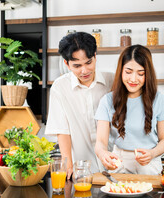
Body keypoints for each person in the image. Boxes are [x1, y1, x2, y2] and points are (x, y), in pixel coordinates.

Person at [94, 44, 164, 175]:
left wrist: (152, 153)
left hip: (148, 162)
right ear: (121, 71)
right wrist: (103, 154)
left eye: (140, 73)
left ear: (147, 74)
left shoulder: (159, 100)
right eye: (128, 72)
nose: (133, 79)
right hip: (119, 161)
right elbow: (100, 142)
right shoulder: (107, 100)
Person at [45, 32, 113, 179]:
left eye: (88, 62)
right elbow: (62, 129)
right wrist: (67, 163)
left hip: (116, 167)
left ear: (95, 56)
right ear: (66, 64)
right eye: (77, 66)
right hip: (84, 170)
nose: (84, 71)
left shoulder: (112, 81)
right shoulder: (60, 87)